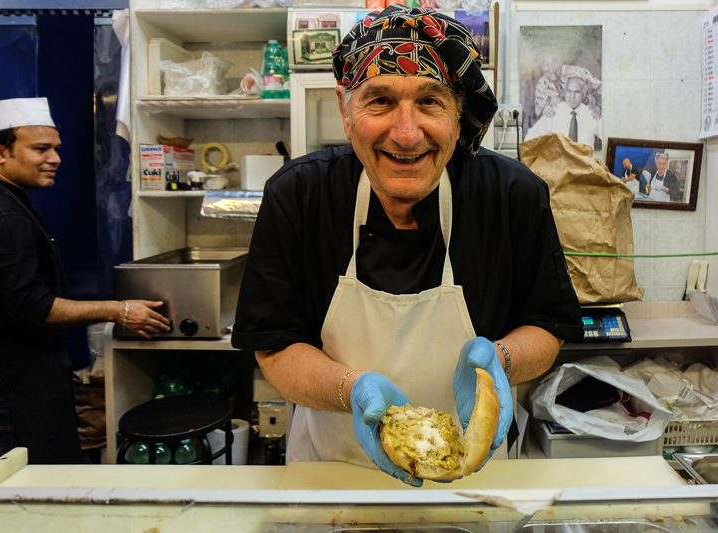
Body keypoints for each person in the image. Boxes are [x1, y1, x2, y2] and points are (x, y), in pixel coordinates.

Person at [232, 5, 583, 486]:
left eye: (430, 102)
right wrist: (348, 389)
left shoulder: (512, 196)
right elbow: (272, 347)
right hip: (332, 475)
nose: (405, 133)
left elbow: (548, 326)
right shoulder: (299, 195)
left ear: (459, 115)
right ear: (345, 109)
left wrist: (499, 359)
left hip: (475, 477)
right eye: (379, 100)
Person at [0, 97, 171, 464]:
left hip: (30, 375)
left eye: (57, 149)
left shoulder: (15, 201)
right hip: (15, 385)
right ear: (1, 152)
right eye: (40, 149)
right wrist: (118, 310)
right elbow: (29, 307)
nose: (55, 159)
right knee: (30, 491)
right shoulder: (5, 215)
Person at [524, 65, 602, 150]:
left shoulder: (591, 113)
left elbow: (607, 135)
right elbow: (533, 134)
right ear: (564, 92)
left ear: (583, 94)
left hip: (584, 162)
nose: (572, 96)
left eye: (577, 92)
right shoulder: (554, 112)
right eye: (569, 91)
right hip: (558, 161)